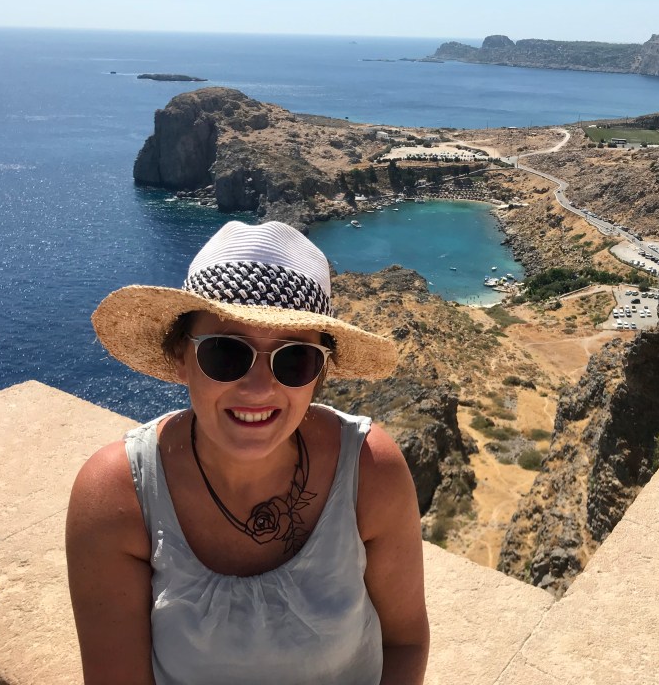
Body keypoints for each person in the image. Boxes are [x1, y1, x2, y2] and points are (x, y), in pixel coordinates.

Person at [67, 221, 429, 685]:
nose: (259, 389)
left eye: (294, 359)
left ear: (319, 374)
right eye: (225, 353)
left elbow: (405, 641)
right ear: (181, 356)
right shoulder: (117, 496)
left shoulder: (370, 470)